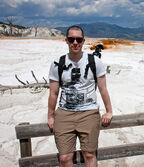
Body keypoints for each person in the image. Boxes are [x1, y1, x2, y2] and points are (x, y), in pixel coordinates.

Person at [48, 25, 112, 167]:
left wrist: (109, 111)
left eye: (78, 39)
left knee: (89, 154)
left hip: (89, 113)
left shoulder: (95, 62)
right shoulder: (57, 64)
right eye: (71, 39)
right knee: (64, 157)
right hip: (64, 113)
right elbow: (53, 93)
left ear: (83, 41)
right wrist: (51, 116)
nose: (75, 43)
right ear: (66, 40)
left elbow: (103, 88)